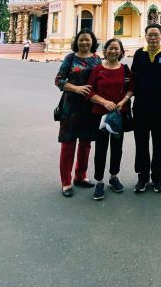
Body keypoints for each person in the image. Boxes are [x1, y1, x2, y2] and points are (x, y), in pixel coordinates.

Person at [54, 29, 101, 197]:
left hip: (89, 107)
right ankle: (66, 182)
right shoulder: (70, 58)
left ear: (92, 41)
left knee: (86, 143)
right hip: (71, 107)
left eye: (87, 40)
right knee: (68, 144)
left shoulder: (96, 59)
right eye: (81, 40)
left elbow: (102, 79)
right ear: (77, 41)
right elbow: (59, 80)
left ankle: (80, 176)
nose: (84, 43)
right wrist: (77, 88)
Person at [88, 38, 133, 201]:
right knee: (100, 148)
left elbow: (130, 89)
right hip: (100, 115)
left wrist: (122, 102)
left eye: (116, 49)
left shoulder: (125, 69)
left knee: (117, 147)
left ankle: (114, 176)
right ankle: (99, 181)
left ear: (121, 52)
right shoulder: (97, 70)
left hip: (118, 116)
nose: (113, 51)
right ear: (105, 50)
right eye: (110, 48)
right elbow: (89, 92)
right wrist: (104, 102)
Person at [130, 23, 161, 193]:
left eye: (156, 34)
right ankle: (142, 176)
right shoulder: (139, 54)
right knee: (141, 142)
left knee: (158, 142)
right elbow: (132, 77)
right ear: (145, 36)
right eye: (150, 35)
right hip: (140, 105)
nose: (153, 37)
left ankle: (157, 177)